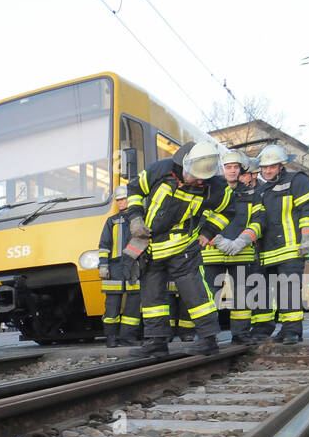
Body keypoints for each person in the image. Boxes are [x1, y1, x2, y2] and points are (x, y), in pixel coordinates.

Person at [123, 140, 232, 358]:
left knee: (195, 293)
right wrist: (135, 218)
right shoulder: (161, 169)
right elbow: (134, 189)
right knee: (153, 296)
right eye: (195, 175)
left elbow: (227, 210)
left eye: (203, 177)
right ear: (186, 163)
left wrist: (208, 232)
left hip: (183, 247)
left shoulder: (216, 187)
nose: (198, 180)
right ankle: (156, 342)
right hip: (151, 245)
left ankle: (209, 340)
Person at [236, 144, 309, 344]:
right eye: (264, 167)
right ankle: (265, 329)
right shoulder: (261, 191)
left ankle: (292, 331)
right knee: (262, 291)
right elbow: (259, 219)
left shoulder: (297, 181)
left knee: (288, 289)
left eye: (272, 166)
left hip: (292, 248)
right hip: (267, 252)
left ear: (281, 166)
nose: (267, 171)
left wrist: (308, 237)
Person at [207, 151, 266, 343]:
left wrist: (242, 241)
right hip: (212, 253)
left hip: (241, 253)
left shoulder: (251, 193)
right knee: (209, 297)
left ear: (240, 170)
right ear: (222, 169)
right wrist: (216, 239)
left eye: (235, 167)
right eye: (228, 167)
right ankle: (208, 337)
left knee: (242, 296)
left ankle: (240, 334)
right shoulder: (210, 190)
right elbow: (199, 217)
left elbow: (258, 221)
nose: (232, 171)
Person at [96, 185, 141, 348]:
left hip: (134, 267)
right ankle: (111, 338)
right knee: (112, 305)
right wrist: (103, 265)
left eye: (123, 199)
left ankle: (128, 337)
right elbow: (104, 245)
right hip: (115, 268)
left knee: (134, 304)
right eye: (119, 200)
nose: (121, 203)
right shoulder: (112, 221)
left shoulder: (140, 220)